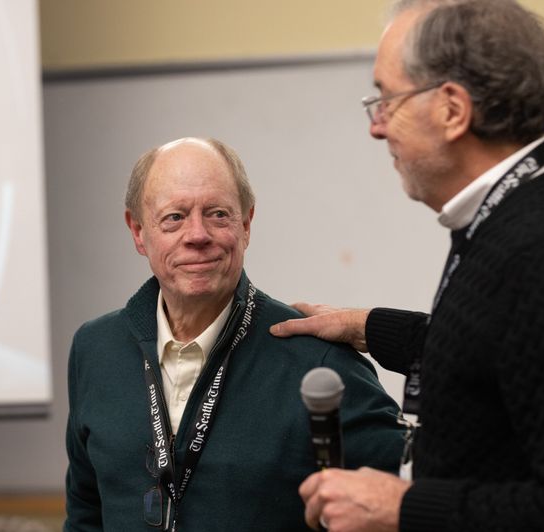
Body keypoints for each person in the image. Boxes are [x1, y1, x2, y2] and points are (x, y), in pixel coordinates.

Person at [269, 0, 544, 531]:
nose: (377, 128)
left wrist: (400, 508)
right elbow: (502, 355)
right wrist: (367, 328)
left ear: (453, 110)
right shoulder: (525, 203)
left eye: (387, 100)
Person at [63, 137, 405, 531]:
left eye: (218, 214)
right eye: (174, 217)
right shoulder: (94, 349)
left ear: (245, 225)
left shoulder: (319, 364)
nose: (197, 234)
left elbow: (399, 502)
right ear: (138, 231)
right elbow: (86, 513)